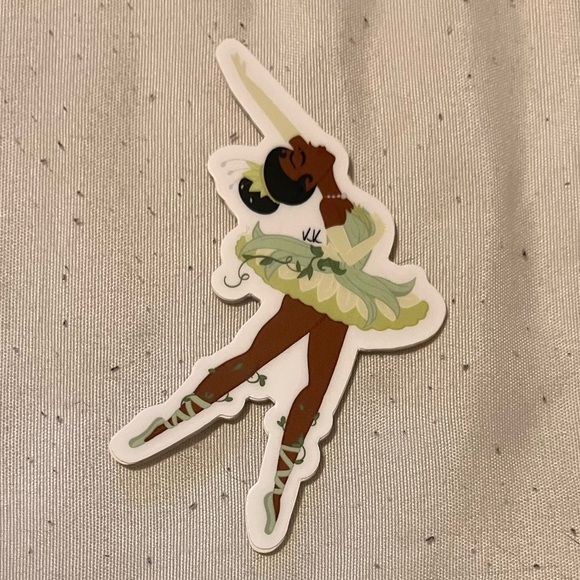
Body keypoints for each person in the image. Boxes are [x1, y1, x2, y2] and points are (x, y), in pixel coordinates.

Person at [112, 44, 444, 545]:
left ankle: (277, 482)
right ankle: (174, 420)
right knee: (258, 358)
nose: (297, 145)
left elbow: (275, 113)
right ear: (305, 178)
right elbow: (341, 240)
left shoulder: (333, 189)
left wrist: (244, 72)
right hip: (317, 290)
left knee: (315, 386)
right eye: (294, 156)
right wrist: (327, 178)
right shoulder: (327, 193)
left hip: (348, 295)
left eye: (291, 153)